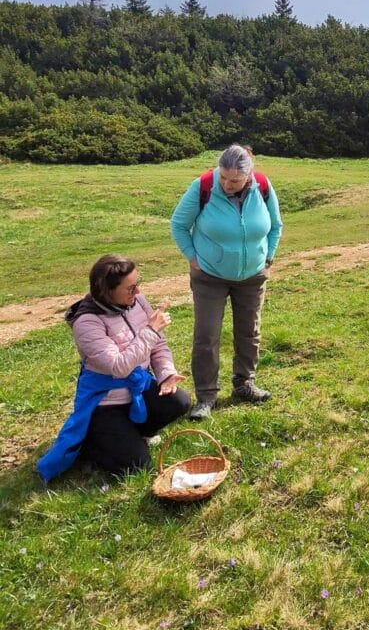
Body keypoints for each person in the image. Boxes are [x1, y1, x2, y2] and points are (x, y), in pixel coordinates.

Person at [37, 255, 190, 481]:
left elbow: (158, 346)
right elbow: (119, 367)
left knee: (179, 401)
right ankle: (92, 440)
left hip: (136, 388)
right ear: (107, 291)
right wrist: (151, 331)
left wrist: (166, 374)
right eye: (130, 288)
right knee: (137, 466)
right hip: (106, 403)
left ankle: (133, 434)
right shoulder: (86, 323)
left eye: (138, 284)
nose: (138, 292)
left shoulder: (138, 302)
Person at [170, 144, 283, 420]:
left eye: (234, 180)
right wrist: (192, 257)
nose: (227, 184)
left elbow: (276, 225)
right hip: (210, 277)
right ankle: (206, 397)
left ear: (249, 175)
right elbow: (178, 224)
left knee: (249, 331)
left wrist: (268, 255)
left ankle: (244, 383)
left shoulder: (263, 186)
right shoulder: (203, 187)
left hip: (252, 276)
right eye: (223, 177)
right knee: (207, 335)